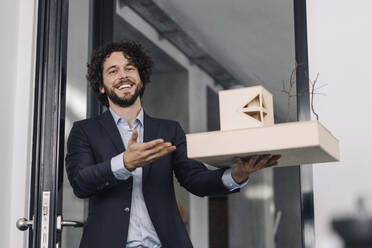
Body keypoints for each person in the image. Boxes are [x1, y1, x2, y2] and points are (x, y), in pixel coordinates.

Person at [65, 40, 281, 248]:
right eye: (112, 71)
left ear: (140, 77)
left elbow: (194, 179)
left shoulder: (169, 130)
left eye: (129, 68)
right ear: (101, 86)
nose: (123, 75)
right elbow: (81, 182)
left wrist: (237, 175)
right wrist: (124, 163)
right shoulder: (84, 131)